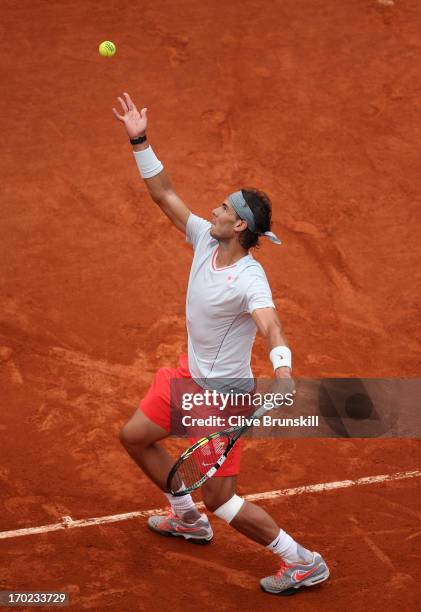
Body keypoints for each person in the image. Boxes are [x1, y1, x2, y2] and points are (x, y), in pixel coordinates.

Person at [113, 92, 329, 595]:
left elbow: (271, 325)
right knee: (135, 437)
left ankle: (301, 561)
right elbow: (163, 193)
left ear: (240, 227)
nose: (214, 207)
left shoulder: (250, 280)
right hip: (188, 379)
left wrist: (284, 371)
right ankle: (185, 517)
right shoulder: (206, 239)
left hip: (222, 401)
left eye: (225, 207)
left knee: (224, 500)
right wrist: (138, 138)